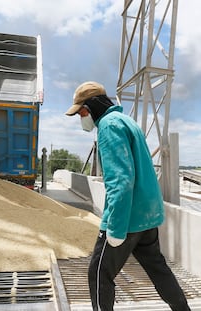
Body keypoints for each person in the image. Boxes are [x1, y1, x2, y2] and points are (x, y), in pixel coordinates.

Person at [65, 81, 191, 311]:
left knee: (99, 275)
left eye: (82, 112)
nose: (81, 118)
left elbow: (121, 182)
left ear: (92, 106)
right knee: (158, 268)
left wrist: (114, 228)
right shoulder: (127, 121)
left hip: (128, 218)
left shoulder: (109, 126)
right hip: (147, 215)